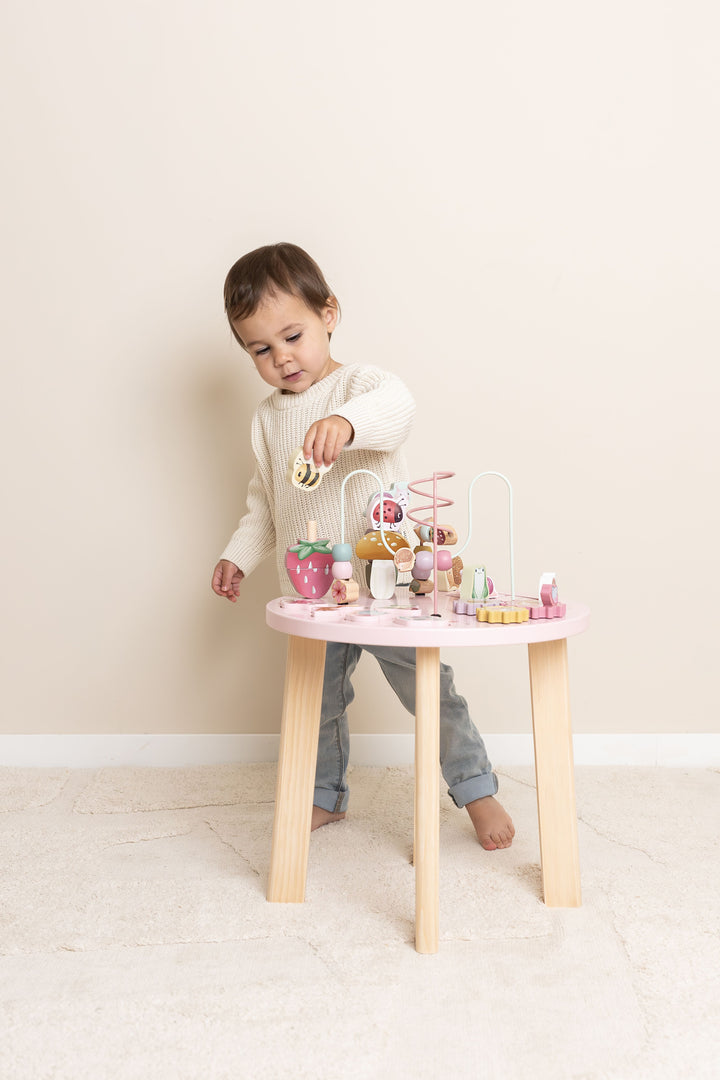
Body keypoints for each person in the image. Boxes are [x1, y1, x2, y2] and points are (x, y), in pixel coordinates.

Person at [211, 243, 515, 850]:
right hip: (315, 595)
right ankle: (324, 798)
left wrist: (346, 424)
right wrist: (237, 555)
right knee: (316, 703)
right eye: (260, 350)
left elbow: (396, 411)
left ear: (329, 313)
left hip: (389, 585)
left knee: (430, 690)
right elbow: (265, 504)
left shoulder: (363, 385)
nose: (282, 358)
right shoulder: (268, 419)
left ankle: (477, 789)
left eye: (293, 335)